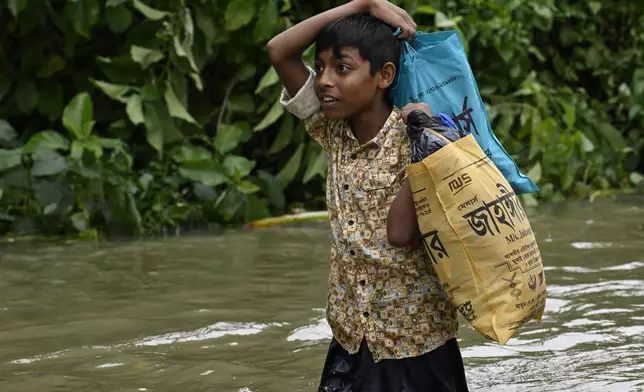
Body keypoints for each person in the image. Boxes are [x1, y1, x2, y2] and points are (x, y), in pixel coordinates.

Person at [266, 0, 469, 390]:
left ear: (384, 75)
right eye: (321, 67)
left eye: (342, 69)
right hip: (351, 338)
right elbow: (279, 51)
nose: (324, 80)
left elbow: (399, 232)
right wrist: (364, 3)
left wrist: (422, 143)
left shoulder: (420, 137)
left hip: (415, 346)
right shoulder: (332, 131)